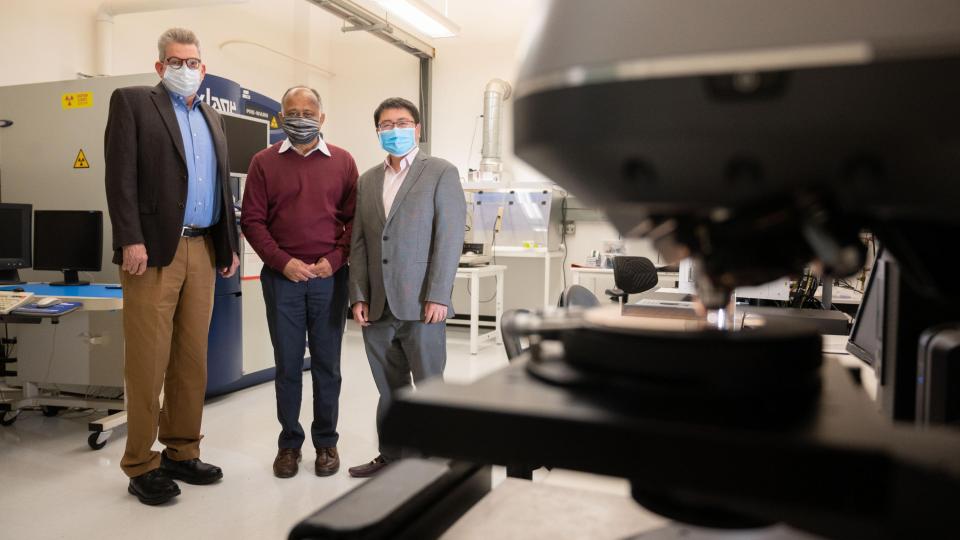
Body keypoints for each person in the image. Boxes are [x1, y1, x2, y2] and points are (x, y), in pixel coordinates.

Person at [104, 27, 239, 505]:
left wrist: (228, 245)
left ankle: (182, 450)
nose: (186, 69)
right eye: (177, 62)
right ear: (160, 66)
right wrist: (130, 239)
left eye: (193, 62)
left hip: (202, 248)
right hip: (153, 252)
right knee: (148, 360)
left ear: (203, 68)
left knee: (191, 358)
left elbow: (221, 185)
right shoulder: (133, 103)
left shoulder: (211, 116)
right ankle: (141, 462)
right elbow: (119, 176)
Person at [241, 86, 358, 478]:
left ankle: (326, 442)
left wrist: (335, 260)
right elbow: (252, 221)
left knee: (327, 365)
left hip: (329, 280)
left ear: (322, 118)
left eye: (308, 112)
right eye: (292, 112)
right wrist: (283, 262)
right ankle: (289, 445)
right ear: (280, 117)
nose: (301, 118)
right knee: (288, 365)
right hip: (282, 280)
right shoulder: (263, 162)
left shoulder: (343, 162)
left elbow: (354, 220)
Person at [347, 97, 466, 478]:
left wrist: (439, 294)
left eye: (401, 123)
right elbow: (360, 243)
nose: (394, 130)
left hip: (421, 304)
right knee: (390, 389)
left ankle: (437, 461)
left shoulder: (441, 172)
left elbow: (449, 238)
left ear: (417, 129)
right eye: (386, 125)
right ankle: (392, 457)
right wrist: (358, 295)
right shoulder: (368, 180)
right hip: (378, 304)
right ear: (377, 132)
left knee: (430, 387)